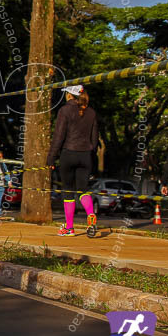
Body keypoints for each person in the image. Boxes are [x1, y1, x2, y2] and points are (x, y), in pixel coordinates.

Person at [46, 85, 99, 237]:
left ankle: (69, 228)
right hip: (86, 155)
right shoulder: (91, 113)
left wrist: (51, 158)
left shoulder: (65, 111)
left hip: (68, 154)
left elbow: (59, 137)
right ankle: (90, 214)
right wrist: (91, 156)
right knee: (83, 190)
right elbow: (94, 140)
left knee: (68, 191)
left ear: (70, 96)